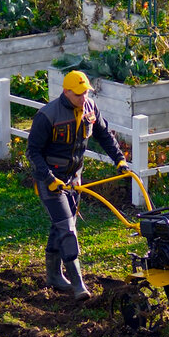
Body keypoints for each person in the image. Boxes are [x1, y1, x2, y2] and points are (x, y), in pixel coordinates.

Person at [26, 70, 129, 300]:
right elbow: (32, 152)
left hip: (74, 179)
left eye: (86, 93)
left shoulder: (90, 109)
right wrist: (50, 179)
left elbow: (104, 134)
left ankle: (53, 276)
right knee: (67, 229)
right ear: (66, 92)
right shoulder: (48, 115)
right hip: (51, 180)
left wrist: (119, 159)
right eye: (79, 94)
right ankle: (79, 284)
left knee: (62, 223)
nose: (84, 98)